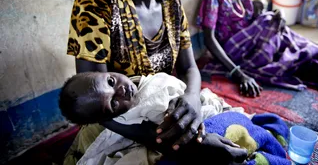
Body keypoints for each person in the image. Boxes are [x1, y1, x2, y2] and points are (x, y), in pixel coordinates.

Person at [65, 0, 246, 164]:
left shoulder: (173, 4)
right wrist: (189, 144)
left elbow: (189, 68)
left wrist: (191, 99)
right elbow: (98, 108)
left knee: (235, 126)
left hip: (164, 109)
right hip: (120, 126)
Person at [59, 71, 290, 165]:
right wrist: (200, 142)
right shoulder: (122, 118)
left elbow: (189, 70)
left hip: (198, 104)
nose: (122, 91)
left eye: (111, 81)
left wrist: (192, 99)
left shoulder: (148, 80)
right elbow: (158, 136)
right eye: (113, 103)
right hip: (184, 133)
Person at [197, 0, 318, 97]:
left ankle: (307, 58)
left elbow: (247, 13)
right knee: (271, 26)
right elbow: (209, 39)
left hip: (251, 37)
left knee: (280, 28)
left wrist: (274, 11)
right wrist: (237, 72)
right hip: (234, 48)